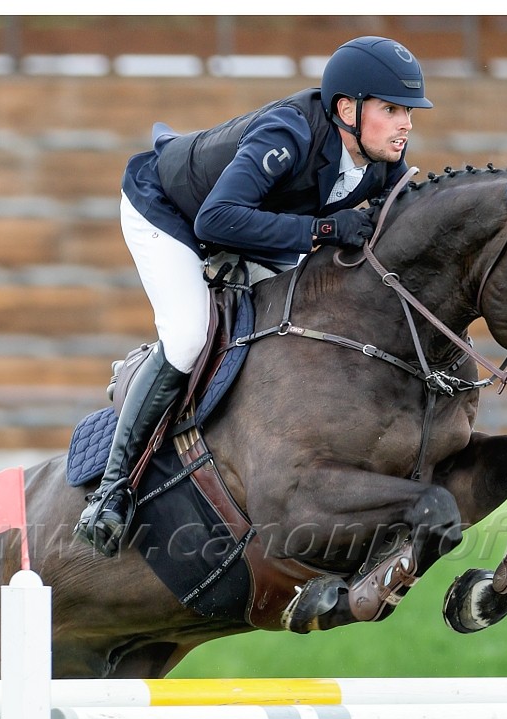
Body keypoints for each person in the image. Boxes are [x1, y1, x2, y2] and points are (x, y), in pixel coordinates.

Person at [74, 35, 434, 557]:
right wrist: (325, 231)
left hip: (242, 227)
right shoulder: (286, 133)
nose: (405, 124)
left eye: (409, 111)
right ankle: (111, 492)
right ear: (346, 109)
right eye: (392, 109)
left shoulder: (382, 159)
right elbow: (215, 218)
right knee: (188, 338)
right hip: (170, 213)